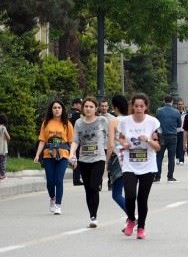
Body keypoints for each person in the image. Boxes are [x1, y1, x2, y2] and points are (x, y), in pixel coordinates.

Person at [117, 94, 161, 239]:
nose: (138, 109)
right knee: (130, 195)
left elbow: (157, 147)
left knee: (142, 199)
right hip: (130, 164)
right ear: (132, 107)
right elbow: (121, 137)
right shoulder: (125, 121)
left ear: (146, 107)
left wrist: (148, 139)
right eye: (136, 106)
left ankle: (141, 227)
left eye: (141, 106)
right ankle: (131, 219)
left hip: (148, 165)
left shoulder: (152, 122)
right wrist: (124, 144)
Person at [69, 97, 114, 227]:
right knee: (88, 189)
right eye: (86, 106)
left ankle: (94, 216)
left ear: (95, 109)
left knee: (94, 186)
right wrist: (72, 154)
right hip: (83, 160)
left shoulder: (102, 120)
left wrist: (110, 150)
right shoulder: (78, 123)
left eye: (91, 106)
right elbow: (76, 140)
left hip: (98, 158)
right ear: (83, 108)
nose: (88, 109)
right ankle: (92, 216)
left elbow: (110, 135)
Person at [33, 99, 74, 215]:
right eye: (55, 108)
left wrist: (73, 155)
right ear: (51, 110)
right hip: (48, 155)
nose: (57, 110)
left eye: (59, 108)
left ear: (62, 109)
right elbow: (42, 140)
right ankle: (52, 198)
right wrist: (37, 155)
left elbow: (71, 142)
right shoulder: (46, 123)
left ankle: (58, 205)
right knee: (50, 181)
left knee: (59, 180)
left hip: (63, 154)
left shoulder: (67, 124)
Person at [154, 95, 181, 182]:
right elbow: (179, 125)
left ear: (164, 101)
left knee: (159, 157)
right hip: (173, 136)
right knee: (171, 157)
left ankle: (157, 177)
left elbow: (156, 123)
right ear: (172, 101)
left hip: (161, 136)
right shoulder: (176, 112)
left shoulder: (159, 111)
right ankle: (170, 177)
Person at [0, 114, 10, 180]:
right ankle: (2, 175)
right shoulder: (3, 128)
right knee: (3, 162)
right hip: (3, 149)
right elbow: (8, 137)